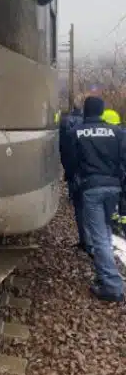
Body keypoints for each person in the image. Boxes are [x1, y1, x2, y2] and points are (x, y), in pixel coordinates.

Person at [70, 95, 125, 302]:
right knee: (106, 231)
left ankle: (112, 286)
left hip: (92, 188)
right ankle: (107, 273)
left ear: (85, 110)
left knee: (99, 236)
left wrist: (77, 182)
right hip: (114, 187)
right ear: (102, 111)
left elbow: (72, 162)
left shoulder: (77, 133)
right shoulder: (117, 132)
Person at [59, 104, 86, 252]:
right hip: (101, 177)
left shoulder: (67, 122)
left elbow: (67, 150)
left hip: (76, 168)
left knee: (80, 207)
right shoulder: (83, 121)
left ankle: (86, 242)